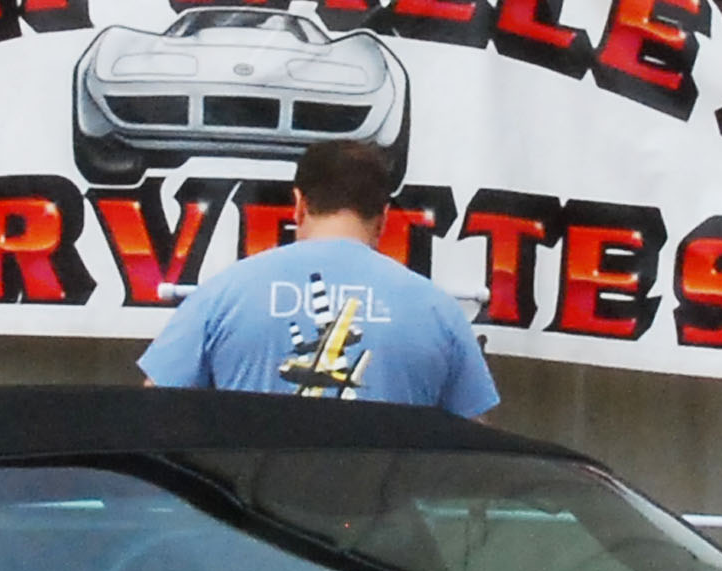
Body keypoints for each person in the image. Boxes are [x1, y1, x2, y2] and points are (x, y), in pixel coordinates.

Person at [137, 137, 498, 415]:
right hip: (381, 510)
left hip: (247, 509)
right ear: (384, 215)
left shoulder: (221, 295)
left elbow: (155, 414)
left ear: (298, 204)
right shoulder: (438, 311)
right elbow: (470, 441)